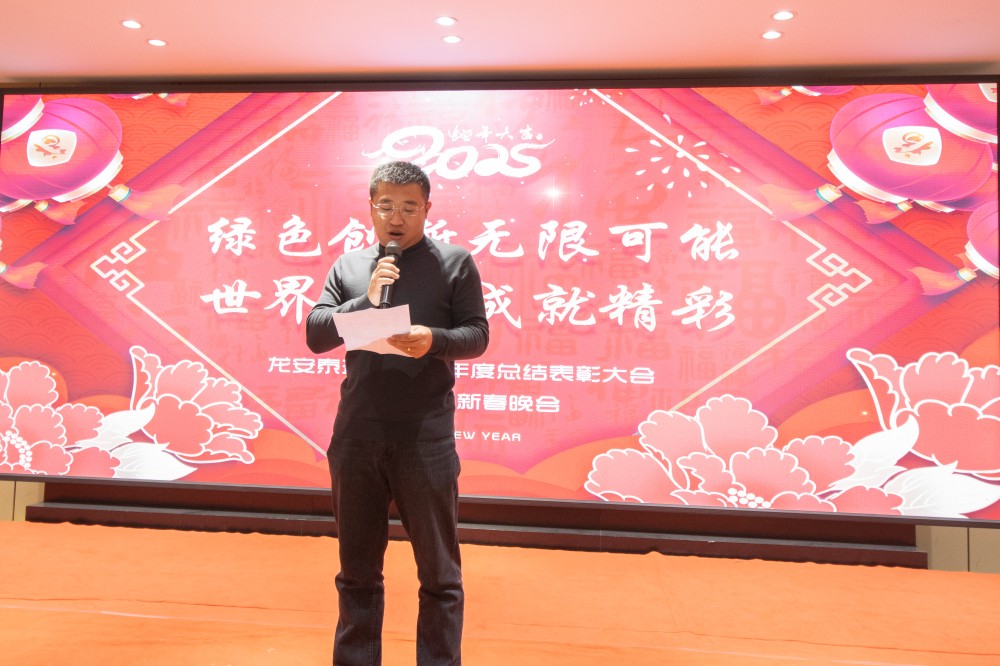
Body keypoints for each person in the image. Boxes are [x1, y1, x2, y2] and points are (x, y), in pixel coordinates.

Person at [306, 161, 489, 665]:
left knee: (439, 576)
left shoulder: (454, 263)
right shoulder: (350, 266)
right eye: (386, 205)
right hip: (356, 437)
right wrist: (364, 301)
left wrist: (435, 340)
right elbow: (317, 334)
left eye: (409, 206)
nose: (396, 216)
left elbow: (477, 335)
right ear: (371, 207)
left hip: (424, 438)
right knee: (357, 574)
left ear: (427, 209)